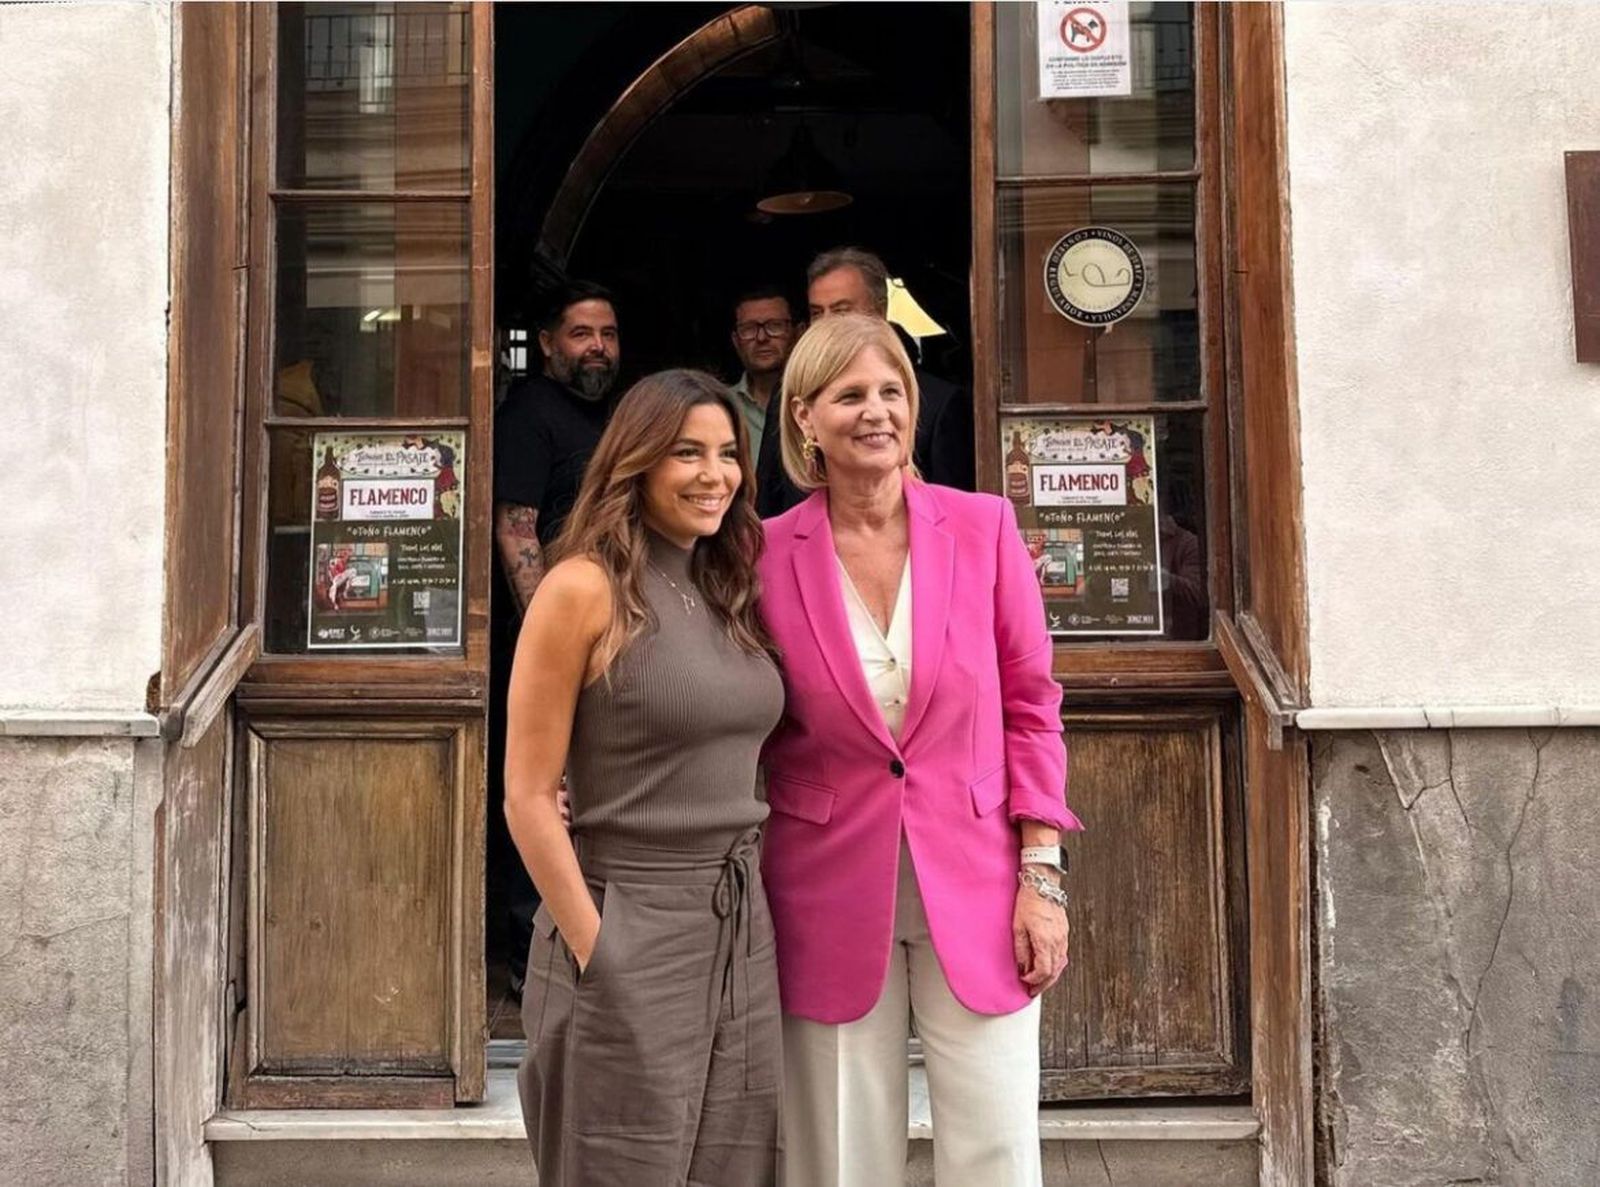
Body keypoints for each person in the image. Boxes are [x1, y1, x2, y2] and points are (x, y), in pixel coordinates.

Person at [758, 314, 1081, 1186]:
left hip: (978, 879)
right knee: (838, 1155)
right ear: (804, 417)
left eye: (891, 390)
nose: (877, 411)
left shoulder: (984, 528)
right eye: (849, 395)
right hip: (822, 881)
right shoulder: (761, 553)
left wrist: (1042, 875)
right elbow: (727, 702)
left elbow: (1032, 705)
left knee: (996, 1147)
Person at [505, 370, 785, 1185]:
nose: (714, 475)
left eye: (728, 454)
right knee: (620, 1166)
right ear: (636, 461)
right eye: (687, 453)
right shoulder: (580, 588)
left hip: (740, 924)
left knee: (738, 1165)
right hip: (627, 915)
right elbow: (528, 795)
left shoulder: (725, 585)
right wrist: (598, 949)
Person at [490, 280, 621, 997]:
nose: (597, 347)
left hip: (613, 635)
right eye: (581, 333)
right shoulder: (530, 414)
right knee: (542, 789)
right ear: (546, 344)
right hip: (555, 644)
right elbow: (517, 528)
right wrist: (552, 636)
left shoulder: (614, 415)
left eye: (607, 333)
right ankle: (529, 959)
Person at [805, 246, 976, 492]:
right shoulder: (792, 392)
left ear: (879, 310)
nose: (828, 323)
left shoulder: (937, 402)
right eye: (817, 313)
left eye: (841, 310)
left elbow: (950, 506)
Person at [728, 285, 798, 470]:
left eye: (775, 325)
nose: (761, 338)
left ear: (797, 333)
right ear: (736, 341)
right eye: (749, 329)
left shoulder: (816, 401)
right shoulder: (722, 406)